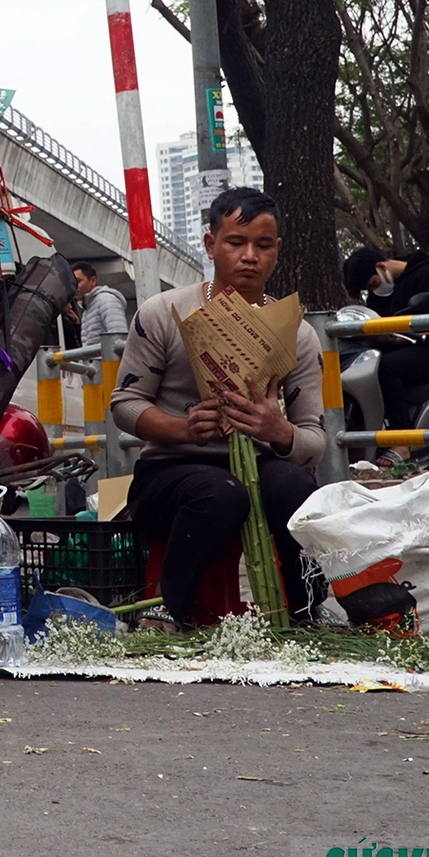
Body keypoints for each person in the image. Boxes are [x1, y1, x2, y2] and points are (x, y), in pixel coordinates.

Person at [109, 188, 323, 628]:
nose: (250, 256)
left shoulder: (297, 334)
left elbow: (313, 438)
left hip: (257, 465)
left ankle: (304, 614)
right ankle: (166, 612)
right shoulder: (163, 312)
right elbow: (125, 405)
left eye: (263, 246)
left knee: (296, 487)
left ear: (277, 250)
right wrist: (182, 429)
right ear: (211, 245)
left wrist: (277, 431)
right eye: (235, 243)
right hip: (169, 474)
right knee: (222, 494)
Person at [341, 244, 429, 441]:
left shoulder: (428, 275)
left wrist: (405, 334)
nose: (373, 290)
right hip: (392, 347)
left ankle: (401, 441)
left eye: (372, 284)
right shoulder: (378, 296)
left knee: (386, 368)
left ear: (381, 266)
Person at [68, 261, 127, 350]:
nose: (74, 287)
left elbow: (119, 338)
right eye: (72, 283)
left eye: (78, 281)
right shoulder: (86, 308)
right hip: (97, 363)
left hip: (108, 363)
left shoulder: (106, 300)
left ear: (93, 281)